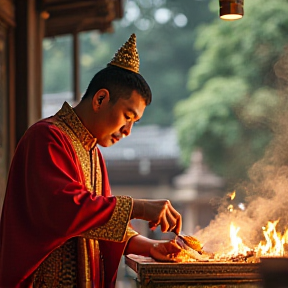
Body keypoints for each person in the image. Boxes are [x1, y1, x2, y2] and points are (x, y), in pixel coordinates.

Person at [0, 34, 182, 288]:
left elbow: (99, 221)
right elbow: (64, 210)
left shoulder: (93, 153)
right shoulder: (47, 137)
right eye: (127, 116)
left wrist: (151, 247)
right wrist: (137, 207)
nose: (128, 130)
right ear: (100, 99)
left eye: (135, 122)